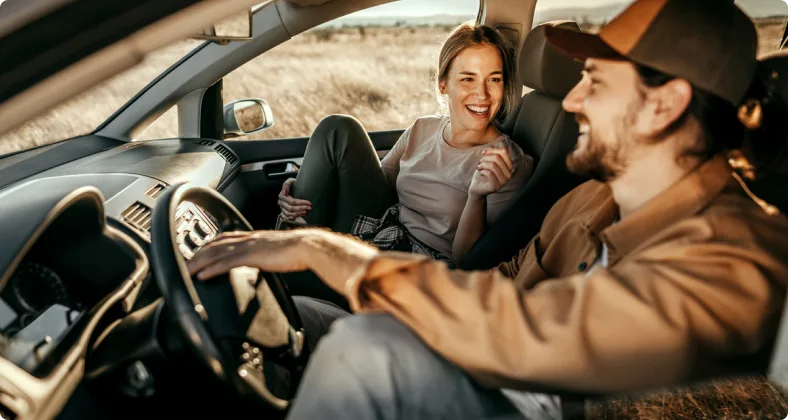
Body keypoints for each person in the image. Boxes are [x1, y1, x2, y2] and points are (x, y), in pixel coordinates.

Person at [187, 0, 788, 418]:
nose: (572, 98)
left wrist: (325, 248)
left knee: (358, 352)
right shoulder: (590, 201)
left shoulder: (735, 260)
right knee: (303, 322)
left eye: (597, 82)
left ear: (665, 107)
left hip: (527, 393)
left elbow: (525, 330)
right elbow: (499, 283)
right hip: (493, 364)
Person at [275, 22, 533, 269]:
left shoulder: (507, 161)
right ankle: (291, 241)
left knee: (288, 267)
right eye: (468, 79)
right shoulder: (423, 128)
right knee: (338, 128)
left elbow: (470, 262)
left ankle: (288, 259)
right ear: (443, 84)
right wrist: (306, 182)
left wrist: (477, 196)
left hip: (424, 267)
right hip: (383, 231)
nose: (483, 94)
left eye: (494, 79)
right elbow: (375, 185)